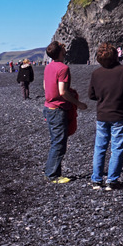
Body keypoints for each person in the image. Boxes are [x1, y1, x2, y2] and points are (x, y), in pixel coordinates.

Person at [88, 42, 123, 190]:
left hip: (102, 115)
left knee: (100, 148)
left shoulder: (96, 74)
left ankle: (96, 179)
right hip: (119, 115)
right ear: (115, 55)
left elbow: (92, 95)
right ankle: (112, 180)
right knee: (117, 148)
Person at [43, 41, 88, 183]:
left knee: (56, 141)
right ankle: (52, 175)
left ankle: (53, 172)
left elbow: (45, 87)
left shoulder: (48, 67)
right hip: (58, 109)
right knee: (59, 143)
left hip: (48, 107)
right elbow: (63, 91)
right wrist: (78, 104)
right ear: (61, 52)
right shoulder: (63, 68)